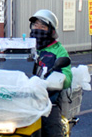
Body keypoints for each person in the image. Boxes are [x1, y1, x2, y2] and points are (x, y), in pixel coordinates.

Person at [29, 9, 72, 137]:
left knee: (53, 131)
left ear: (51, 31)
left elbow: (68, 75)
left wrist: (59, 80)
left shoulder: (59, 50)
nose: (38, 29)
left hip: (47, 103)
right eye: (35, 25)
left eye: (43, 27)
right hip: (23, 100)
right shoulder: (25, 46)